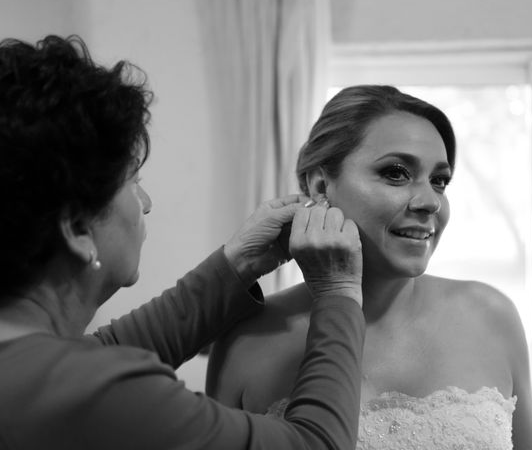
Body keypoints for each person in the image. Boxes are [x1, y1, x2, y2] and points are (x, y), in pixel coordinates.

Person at [0, 35, 366, 450]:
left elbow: (99, 351)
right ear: (78, 229)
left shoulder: (32, 363)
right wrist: (338, 292)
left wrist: (238, 263)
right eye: (132, 182)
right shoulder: (93, 393)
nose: (146, 203)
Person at [207, 85, 532, 450]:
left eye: (439, 181)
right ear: (321, 186)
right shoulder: (247, 341)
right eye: (396, 173)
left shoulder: (491, 318)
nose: (430, 201)